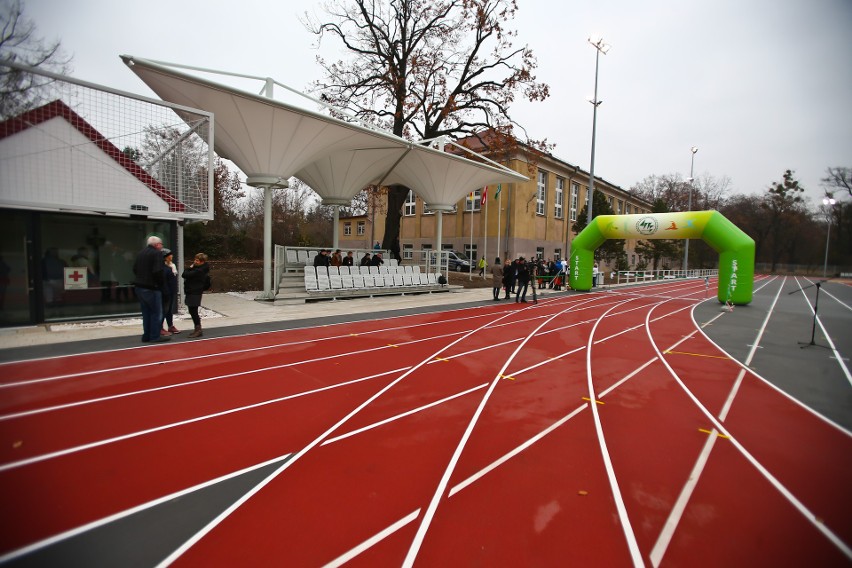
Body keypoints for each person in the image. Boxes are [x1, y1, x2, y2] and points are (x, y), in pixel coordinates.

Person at [133, 236, 170, 343]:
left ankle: (147, 335)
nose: (162, 246)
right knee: (156, 313)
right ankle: (155, 336)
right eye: (161, 244)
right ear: (157, 245)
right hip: (151, 287)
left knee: (146, 313)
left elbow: (135, 268)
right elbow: (158, 271)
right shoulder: (157, 254)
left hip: (140, 287)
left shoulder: (141, 253)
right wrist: (161, 285)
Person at [183, 253, 211, 338]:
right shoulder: (198, 269)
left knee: (193, 310)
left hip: (195, 292)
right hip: (192, 291)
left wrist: (190, 268)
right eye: (195, 260)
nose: (195, 261)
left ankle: (198, 329)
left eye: (197, 260)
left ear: (202, 262)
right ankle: (197, 328)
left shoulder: (199, 271)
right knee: (192, 310)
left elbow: (185, 274)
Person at [161, 249, 180, 335]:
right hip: (165, 291)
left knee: (169, 309)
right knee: (164, 309)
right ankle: (160, 327)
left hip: (172, 290)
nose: (172, 256)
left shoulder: (173, 265)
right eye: (170, 255)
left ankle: (170, 325)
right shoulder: (163, 267)